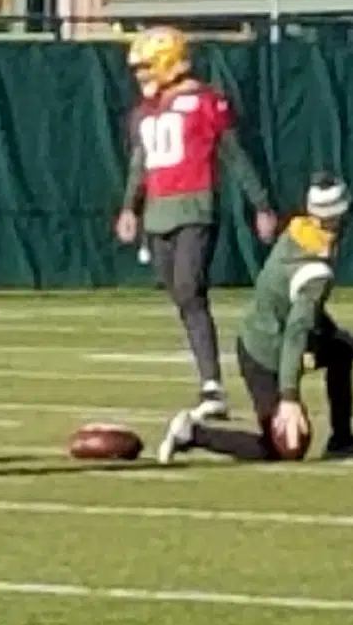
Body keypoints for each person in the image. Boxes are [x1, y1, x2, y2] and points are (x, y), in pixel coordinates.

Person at [114, 26, 276, 422]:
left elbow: (234, 156)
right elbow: (141, 164)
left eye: (147, 67)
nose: (141, 76)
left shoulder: (205, 102)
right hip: (158, 211)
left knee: (190, 289)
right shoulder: (144, 113)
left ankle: (212, 385)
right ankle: (209, 380)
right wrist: (129, 208)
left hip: (194, 206)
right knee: (180, 296)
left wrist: (262, 205)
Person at [156, 173, 353, 465]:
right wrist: (289, 397)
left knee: (341, 351)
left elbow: (303, 312)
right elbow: (297, 331)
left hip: (272, 334)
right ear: (337, 218)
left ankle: (342, 439)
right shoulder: (313, 267)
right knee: (281, 450)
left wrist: (335, 335)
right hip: (263, 352)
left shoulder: (301, 231)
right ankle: (193, 434)